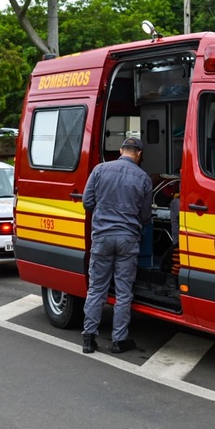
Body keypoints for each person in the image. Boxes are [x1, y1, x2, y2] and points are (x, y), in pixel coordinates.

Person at [82, 137, 152, 354]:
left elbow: (87, 202)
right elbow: (146, 215)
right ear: (139, 154)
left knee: (96, 289)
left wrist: (104, 213)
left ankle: (89, 338)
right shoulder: (143, 178)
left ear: (121, 150)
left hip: (102, 238)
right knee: (123, 292)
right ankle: (119, 341)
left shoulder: (100, 170)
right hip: (127, 240)